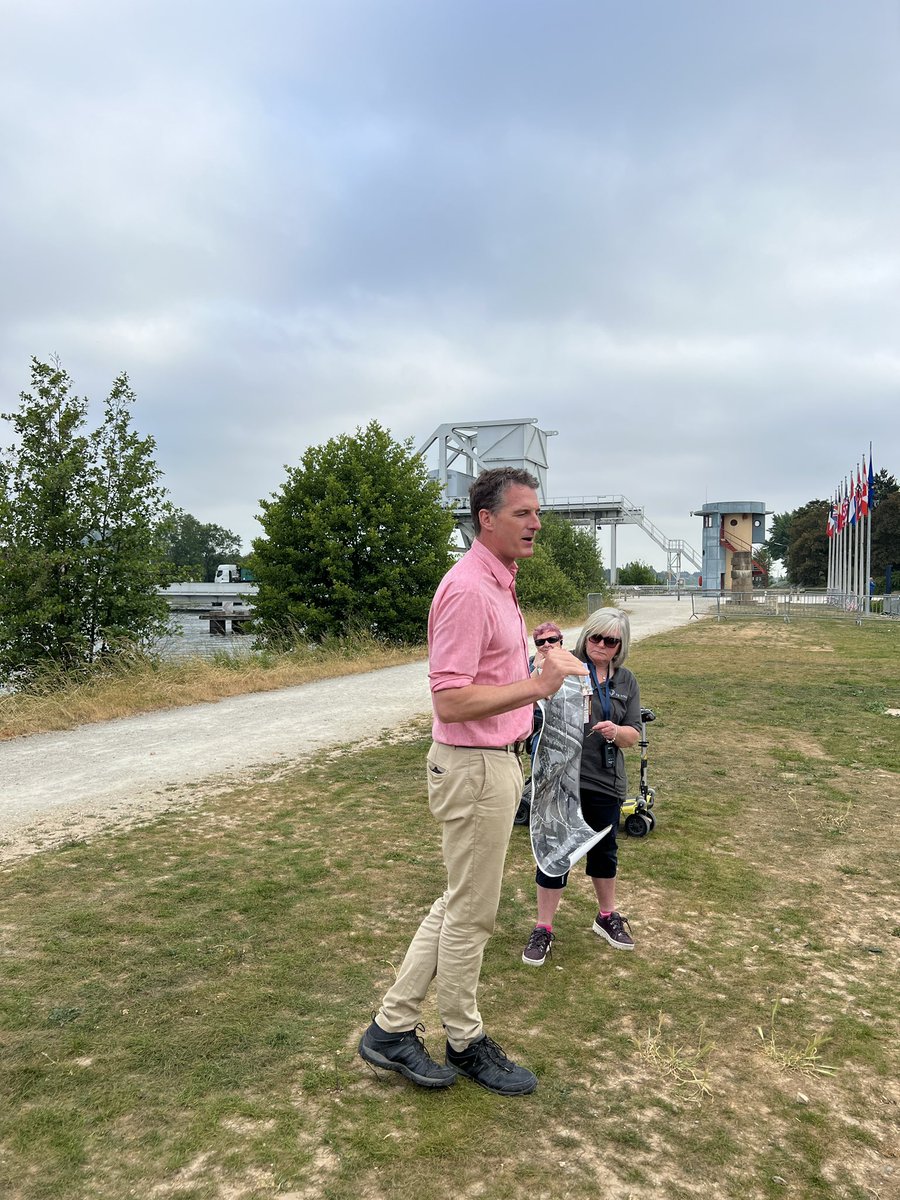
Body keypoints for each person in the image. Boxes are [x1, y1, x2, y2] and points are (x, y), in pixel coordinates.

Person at [358, 467, 588, 1096]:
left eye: (537, 513)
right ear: (486, 518)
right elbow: (451, 700)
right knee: (473, 916)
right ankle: (464, 1040)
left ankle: (391, 1028)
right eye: (522, 513)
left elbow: (486, 672)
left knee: (459, 903)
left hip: (494, 763)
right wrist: (540, 685)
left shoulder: (498, 583)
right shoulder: (467, 589)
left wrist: (536, 654)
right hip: (474, 766)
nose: (536, 523)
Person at [521, 607, 641, 967]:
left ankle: (607, 917)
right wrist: (539, 662)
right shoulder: (564, 665)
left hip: (604, 779)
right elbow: (531, 683)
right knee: (554, 850)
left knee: (604, 852)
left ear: (621, 646)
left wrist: (617, 732)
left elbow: (633, 733)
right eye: (595, 637)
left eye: (610, 640)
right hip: (558, 778)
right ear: (585, 636)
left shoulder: (626, 681)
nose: (601, 645)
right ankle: (543, 927)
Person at [514, 622, 565, 827]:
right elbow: (525, 698)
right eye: (540, 641)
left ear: (561, 641)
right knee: (542, 770)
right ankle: (542, 815)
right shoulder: (530, 664)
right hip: (540, 728)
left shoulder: (569, 662)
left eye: (552, 640)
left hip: (565, 726)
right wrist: (537, 668)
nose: (547, 645)